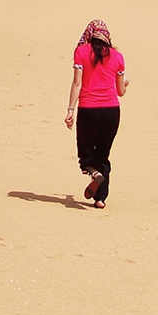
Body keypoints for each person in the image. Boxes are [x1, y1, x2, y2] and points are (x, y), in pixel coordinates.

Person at [63, 19, 128, 208]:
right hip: (111, 112)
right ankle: (100, 199)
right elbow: (120, 91)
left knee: (86, 154)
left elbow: (77, 83)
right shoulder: (118, 56)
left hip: (88, 110)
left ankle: (94, 173)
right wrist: (126, 83)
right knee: (103, 155)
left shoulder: (81, 52)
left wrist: (70, 110)